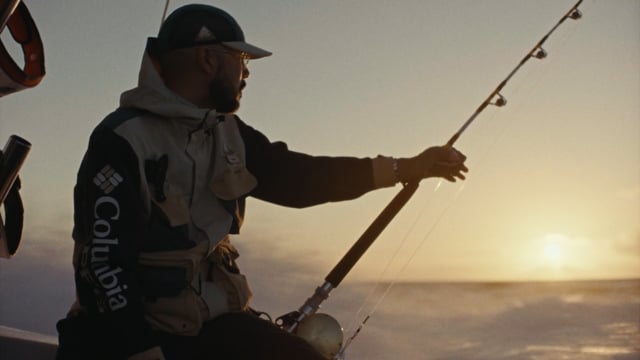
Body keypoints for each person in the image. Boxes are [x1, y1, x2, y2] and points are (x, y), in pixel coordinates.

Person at [55, 4, 468, 360]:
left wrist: (403, 168)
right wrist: (141, 352)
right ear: (208, 61)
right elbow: (102, 265)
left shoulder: (228, 132)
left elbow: (300, 179)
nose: (246, 74)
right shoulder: (122, 140)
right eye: (242, 61)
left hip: (210, 327)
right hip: (138, 337)